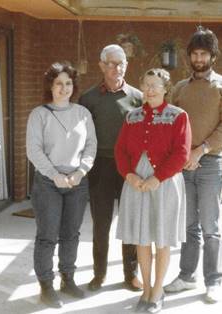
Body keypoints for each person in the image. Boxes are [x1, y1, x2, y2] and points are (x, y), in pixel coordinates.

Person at [164, 27, 222, 304]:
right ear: (189, 56)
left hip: (210, 164)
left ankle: (213, 281)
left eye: (203, 53)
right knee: (188, 226)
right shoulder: (180, 89)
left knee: (210, 226)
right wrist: (181, 155)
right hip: (182, 166)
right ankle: (186, 276)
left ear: (212, 56)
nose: (198, 58)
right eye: (195, 54)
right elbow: (169, 124)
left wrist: (201, 150)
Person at [115, 68, 191, 313]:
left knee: (162, 238)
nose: (150, 89)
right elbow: (120, 150)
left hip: (165, 182)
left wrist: (157, 178)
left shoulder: (178, 116)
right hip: (136, 182)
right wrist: (129, 174)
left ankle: (158, 291)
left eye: (155, 85)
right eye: (146, 84)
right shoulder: (131, 116)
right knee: (142, 238)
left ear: (166, 89)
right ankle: (146, 289)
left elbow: (181, 153)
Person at [26, 61, 97, 308]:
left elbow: (90, 147)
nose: (64, 88)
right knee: (47, 236)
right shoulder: (39, 114)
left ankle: (68, 279)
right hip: (48, 182)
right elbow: (33, 150)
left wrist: (80, 172)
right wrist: (54, 174)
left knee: (71, 235)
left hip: (77, 182)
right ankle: (46, 285)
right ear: (51, 86)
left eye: (68, 83)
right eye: (59, 83)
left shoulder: (82, 114)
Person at [79, 44, 143, 292]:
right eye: (111, 63)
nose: (116, 68)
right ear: (101, 66)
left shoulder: (137, 97)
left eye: (121, 63)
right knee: (101, 223)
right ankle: (99, 274)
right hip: (100, 167)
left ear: (126, 66)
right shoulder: (89, 98)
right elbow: (83, 137)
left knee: (129, 222)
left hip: (129, 169)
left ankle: (131, 274)